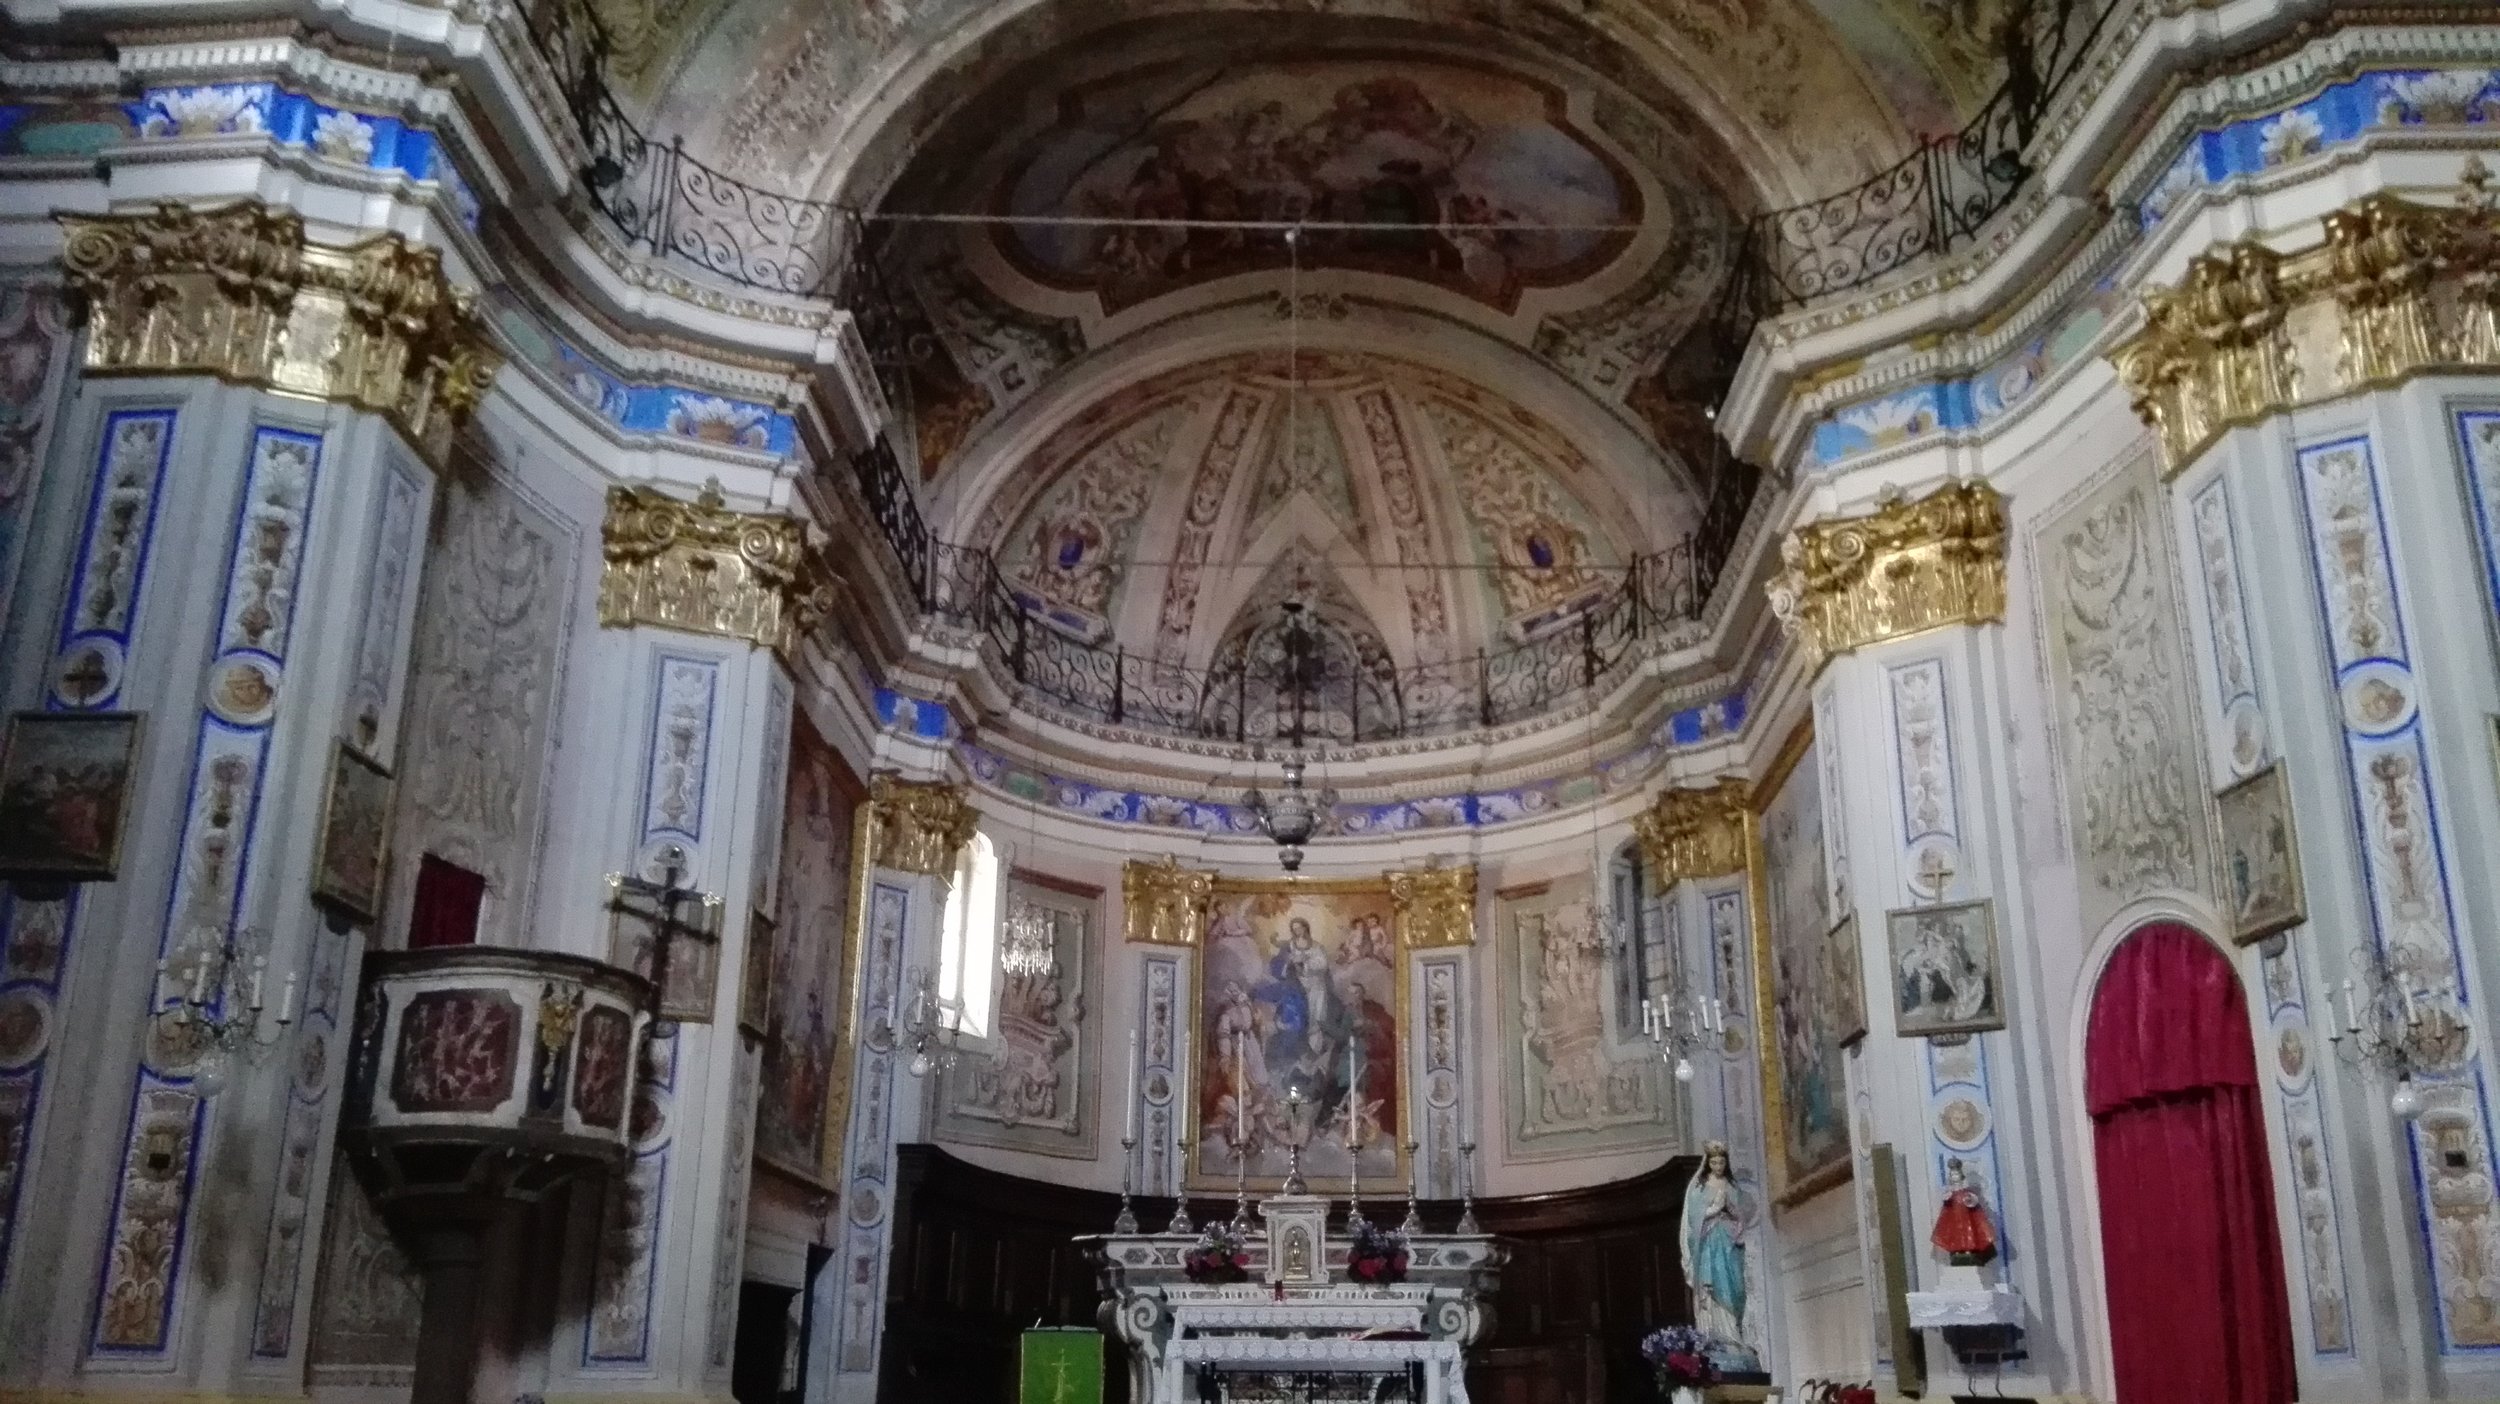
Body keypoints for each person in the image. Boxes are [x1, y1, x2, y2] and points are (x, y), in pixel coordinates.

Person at [1680, 1141, 1758, 1367]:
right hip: (1709, 1246)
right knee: (1711, 1287)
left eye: (1721, 1162)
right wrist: (1713, 1209)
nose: (1718, 1166)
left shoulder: (1731, 1185)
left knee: (1735, 1288)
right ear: (1708, 1163)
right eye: (1714, 1162)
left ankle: (1735, 1338)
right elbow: (1694, 1220)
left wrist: (1732, 1210)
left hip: (1729, 1243)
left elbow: (1742, 1213)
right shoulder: (1700, 1186)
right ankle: (1716, 1337)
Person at [1932, 1158, 1997, 1265]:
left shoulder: (1966, 1192)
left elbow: (1974, 1202)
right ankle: (1957, 1250)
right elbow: (1947, 1204)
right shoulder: (1951, 1193)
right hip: (1955, 1219)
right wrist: (1947, 1200)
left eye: (1956, 1174)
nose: (1955, 1177)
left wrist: (1970, 1200)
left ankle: (1970, 1249)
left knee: (1969, 1233)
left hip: (1966, 1219)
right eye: (1953, 1175)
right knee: (1956, 1235)